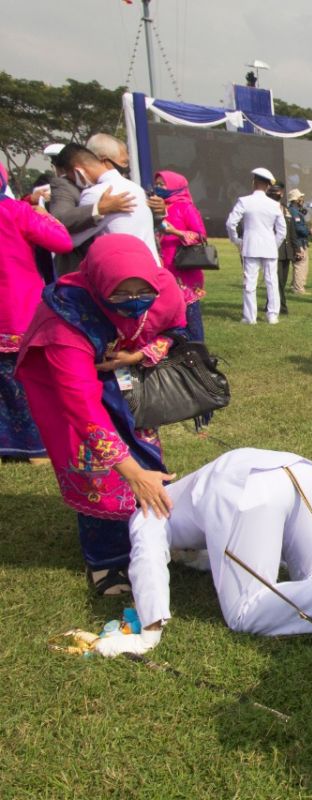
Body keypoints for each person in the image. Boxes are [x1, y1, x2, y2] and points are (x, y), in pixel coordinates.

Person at [89, 448, 312, 656]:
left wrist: (149, 631)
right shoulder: (182, 491)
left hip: (245, 491)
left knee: (244, 610)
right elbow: (209, 549)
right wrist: (190, 559)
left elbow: (147, 558)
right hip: (293, 469)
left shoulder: (143, 512)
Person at [17, 235, 187, 596]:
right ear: (98, 284)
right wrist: (131, 474)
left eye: (142, 292)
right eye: (120, 296)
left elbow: (174, 329)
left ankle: (156, 536)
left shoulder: (164, 288)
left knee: (144, 451)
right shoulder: (66, 316)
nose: (134, 302)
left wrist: (137, 355)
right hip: (66, 382)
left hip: (124, 377)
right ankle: (107, 560)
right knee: (95, 469)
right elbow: (80, 405)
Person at [0, 163, 73, 461]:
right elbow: (62, 242)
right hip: (16, 310)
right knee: (26, 379)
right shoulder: (16, 213)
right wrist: (44, 216)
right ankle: (34, 447)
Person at [45, 145, 136, 276]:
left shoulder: (120, 183)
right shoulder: (64, 185)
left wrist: (158, 212)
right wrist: (98, 209)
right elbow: (60, 219)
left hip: (117, 265)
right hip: (79, 267)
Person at [64, 144, 160, 266]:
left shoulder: (95, 193)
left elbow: (72, 241)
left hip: (123, 271)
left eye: (70, 177)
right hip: (151, 265)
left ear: (78, 171)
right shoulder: (136, 188)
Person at [226, 167, 286, 325]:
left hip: (251, 246)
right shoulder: (274, 205)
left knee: (250, 283)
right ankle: (273, 315)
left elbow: (231, 223)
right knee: (272, 282)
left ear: (253, 182)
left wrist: (237, 240)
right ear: (268, 186)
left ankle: (250, 317)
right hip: (269, 248)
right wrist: (274, 244)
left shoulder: (244, 201)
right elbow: (282, 231)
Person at [153, 171, 208, 341]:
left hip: (183, 270)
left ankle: (196, 350)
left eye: (163, 184)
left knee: (190, 315)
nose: (159, 188)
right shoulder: (155, 208)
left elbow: (201, 236)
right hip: (161, 268)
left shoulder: (185, 207)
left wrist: (174, 232)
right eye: (158, 184)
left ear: (175, 186)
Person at [267, 182, 296, 315]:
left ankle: (270, 304)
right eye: (275, 191)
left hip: (286, 250)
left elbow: (292, 231)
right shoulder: (266, 209)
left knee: (282, 281)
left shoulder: (286, 209)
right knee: (276, 280)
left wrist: (296, 249)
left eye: (279, 191)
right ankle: (281, 307)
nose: (278, 194)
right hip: (274, 249)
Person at [287, 189, 312, 294]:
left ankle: (296, 285)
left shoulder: (295, 211)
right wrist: (309, 231)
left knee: (301, 264)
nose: (302, 199)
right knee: (300, 264)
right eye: (300, 197)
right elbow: (298, 228)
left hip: (300, 241)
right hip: (298, 241)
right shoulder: (294, 212)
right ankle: (298, 288)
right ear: (296, 199)